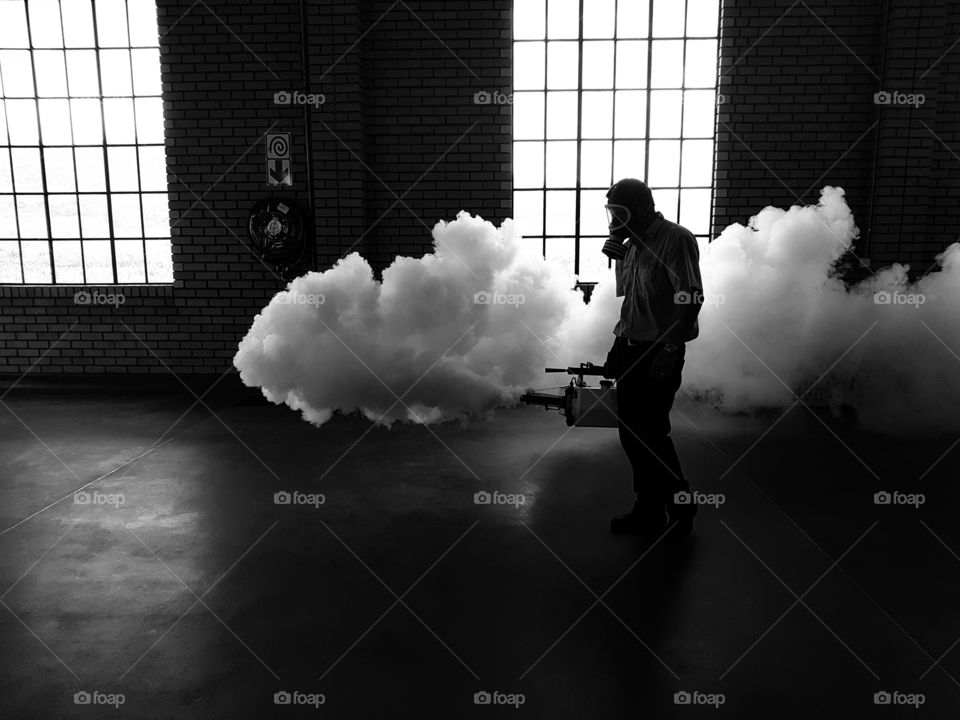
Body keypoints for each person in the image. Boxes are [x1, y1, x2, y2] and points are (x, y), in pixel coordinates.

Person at [601, 178, 703, 539]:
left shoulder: (676, 239)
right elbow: (633, 304)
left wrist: (670, 349)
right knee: (632, 434)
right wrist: (617, 349)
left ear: (643, 208)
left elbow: (690, 298)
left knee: (651, 434)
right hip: (631, 345)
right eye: (611, 211)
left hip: (659, 349)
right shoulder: (630, 246)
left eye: (621, 212)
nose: (615, 219)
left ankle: (674, 505)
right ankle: (651, 506)